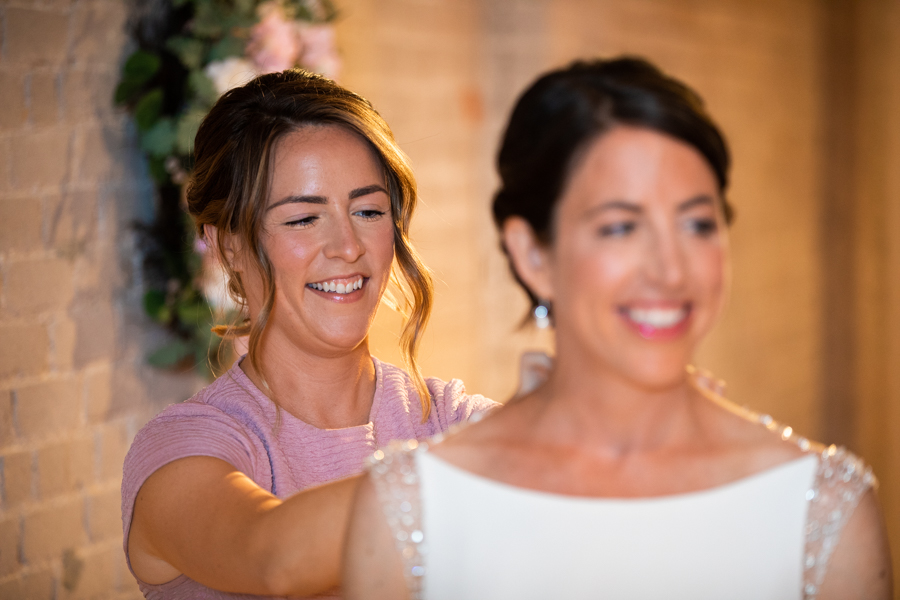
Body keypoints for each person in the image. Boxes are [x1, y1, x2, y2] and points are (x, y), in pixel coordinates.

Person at [343, 57, 893, 600]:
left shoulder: (821, 510)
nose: (670, 269)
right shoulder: (413, 509)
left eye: (698, 224)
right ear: (532, 254)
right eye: (620, 227)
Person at [121, 69, 496, 598]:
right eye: (302, 219)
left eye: (368, 211)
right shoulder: (186, 450)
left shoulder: (447, 419)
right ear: (227, 244)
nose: (348, 246)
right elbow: (276, 559)